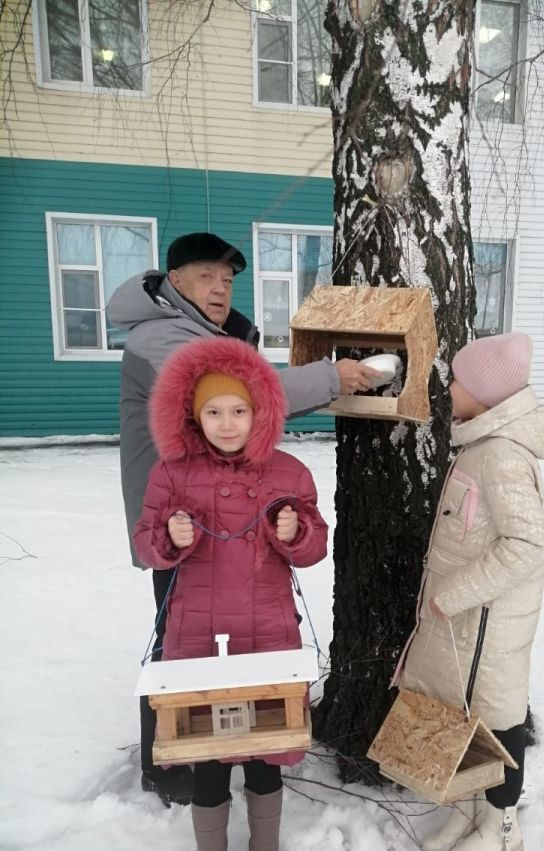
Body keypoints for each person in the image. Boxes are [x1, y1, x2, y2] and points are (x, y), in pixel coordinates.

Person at [107, 231, 380, 805]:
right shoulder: (162, 337)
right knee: (174, 640)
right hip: (178, 521)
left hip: (221, 517)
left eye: (228, 280)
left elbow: (251, 402)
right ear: (174, 280)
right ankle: (166, 761)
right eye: (206, 276)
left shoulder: (213, 334)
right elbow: (258, 391)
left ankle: (234, 739)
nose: (220, 288)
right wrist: (336, 376)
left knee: (221, 637)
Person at [133, 335, 328, 851]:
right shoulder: (171, 472)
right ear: (193, 414)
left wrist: (294, 532)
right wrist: (171, 536)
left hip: (267, 635)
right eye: (213, 411)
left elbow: (314, 547)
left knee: (265, 752)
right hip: (197, 639)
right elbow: (145, 543)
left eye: (238, 410)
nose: (226, 423)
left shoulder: (288, 470)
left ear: (260, 411)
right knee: (210, 755)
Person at [392, 332, 544, 851]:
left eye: (459, 380)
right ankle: (468, 808)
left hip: (491, 627)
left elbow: (527, 544)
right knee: (462, 715)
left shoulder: (502, 456)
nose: (450, 387)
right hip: (467, 627)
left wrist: (456, 593)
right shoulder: (482, 444)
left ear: (485, 395)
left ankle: (502, 827)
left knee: (498, 722)